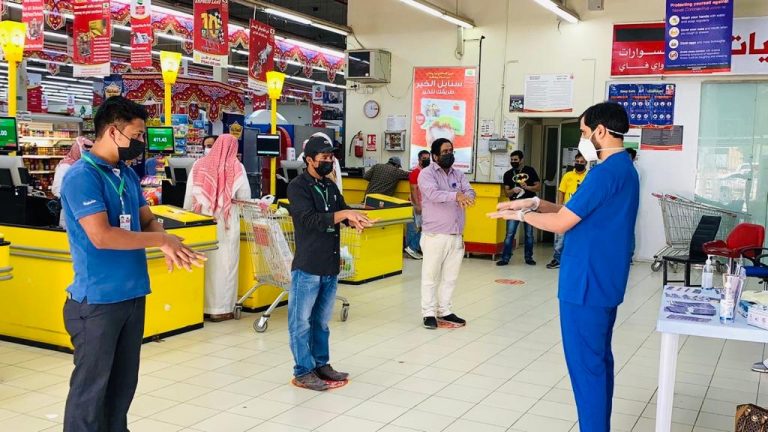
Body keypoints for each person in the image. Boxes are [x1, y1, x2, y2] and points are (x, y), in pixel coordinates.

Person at [489, 102, 638, 432]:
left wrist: (520, 215)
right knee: (597, 362)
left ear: (600, 131)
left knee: (586, 369)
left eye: (584, 132)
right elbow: (572, 211)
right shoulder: (623, 169)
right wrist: (534, 203)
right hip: (603, 280)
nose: (582, 139)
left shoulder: (604, 172)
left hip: (585, 284)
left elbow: (561, 223)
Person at [60, 96, 205, 432]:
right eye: (137, 135)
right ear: (113, 132)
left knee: (122, 388)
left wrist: (168, 240)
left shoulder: (125, 174)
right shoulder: (82, 176)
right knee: (90, 393)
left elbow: (147, 219)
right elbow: (102, 236)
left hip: (132, 296)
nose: (141, 142)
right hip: (97, 302)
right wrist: (160, 242)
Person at [287, 135, 375, 391]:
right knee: (300, 323)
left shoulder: (330, 186)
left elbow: (342, 211)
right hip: (308, 265)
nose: (329, 162)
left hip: (329, 264)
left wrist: (355, 219)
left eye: (331, 158)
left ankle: (321, 364)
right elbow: (308, 219)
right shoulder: (298, 187)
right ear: (309, 160)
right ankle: (303, 370)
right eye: (324, 158)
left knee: (321, 322)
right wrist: (343, 214)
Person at [184, 134, 251, 322]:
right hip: (226, 221)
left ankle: (202, 306)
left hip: (202, 220)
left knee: (204, 262)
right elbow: (244, 196)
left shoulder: (199, 165)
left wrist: (186, 217)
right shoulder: (236, 166)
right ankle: (221, 309)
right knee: (226, 265)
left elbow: (189, 196)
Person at [418, 138, 475, 330]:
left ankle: (444, 310)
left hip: (456, 234)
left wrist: (467, 196)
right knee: (430, 276)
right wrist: (456, 195)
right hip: (435, 234)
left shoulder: (458, 174)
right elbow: (433, 194)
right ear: (435, 156)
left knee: (450, 277)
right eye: (445, 152)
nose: (449, 154)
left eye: (451, 150)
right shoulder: (426, 174)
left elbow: (469, 191)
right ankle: (428, 313)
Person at [497, 150, 541, 266]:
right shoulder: (508, 174)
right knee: (510, 233)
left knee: (529, 234)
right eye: (512, 160)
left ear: (521, 160)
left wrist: (527, 187)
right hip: (514, 207)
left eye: (515, 160)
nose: (513, 162)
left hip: (529, 206)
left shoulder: (530, 170)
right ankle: (505, 258)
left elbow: (538, 187)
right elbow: (506, 193)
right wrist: (513, 190)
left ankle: (529, 257)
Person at [546, 152, 588, 269]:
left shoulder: (589, 176)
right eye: (577, 162)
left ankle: (579, 261)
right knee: (561, 235)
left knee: (581, 236)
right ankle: (557, 259)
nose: (579, 164)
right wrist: (559, 207)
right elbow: (561, 191)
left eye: (582, 162)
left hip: (582, 210)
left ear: (586, 163)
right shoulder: (567, 175)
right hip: (567, 208)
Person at [52, 136, 93, 229]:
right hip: (69, 210)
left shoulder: (87, 166)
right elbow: (57, 189)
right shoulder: (65, 167)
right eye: (86, 149)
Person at [405, 150, 431, 260]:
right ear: (419, 160)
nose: (427, 160)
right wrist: (417, 205)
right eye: (424, 158)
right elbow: (413, 189)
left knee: (420, 227)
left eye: (428, 158)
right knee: (420, 228)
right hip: (417, 204)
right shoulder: (416, 172)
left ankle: (412, 249)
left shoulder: (426, 172)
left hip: (425, 204)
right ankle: (412, 248)